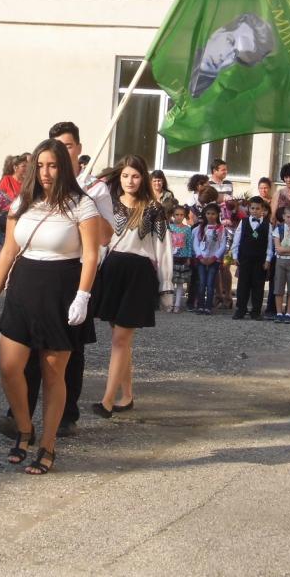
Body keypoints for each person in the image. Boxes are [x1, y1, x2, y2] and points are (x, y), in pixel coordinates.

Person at [0, 138, 100, 475]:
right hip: (23, 287)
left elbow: (91, 254)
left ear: (63, 166)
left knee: (53, 374)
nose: (46, 172)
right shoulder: (22, 201)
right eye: (41, 165)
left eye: (53, 165)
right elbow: (8, 249)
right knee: (9, 368)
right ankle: (24, 428)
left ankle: (48, 444)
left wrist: (83, 296)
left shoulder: (81, 204)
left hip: (62, 287)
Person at [90, 155, 170, 418]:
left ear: (143, 178)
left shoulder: (154, 208)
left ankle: (107, 401)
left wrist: (166, 287)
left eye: (135, 176)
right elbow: (101, 241)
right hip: (112, 271)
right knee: (120, 340)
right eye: (125, 175)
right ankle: (127, 395)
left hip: (138, 275)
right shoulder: (109, 205)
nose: (130, 181)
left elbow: (163, 248)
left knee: (120, 340)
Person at [231, 196, 270, 320]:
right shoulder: (244, 222)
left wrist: (268, 260)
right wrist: (235, 255)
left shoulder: (268, 225)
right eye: (252, 208)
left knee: (258, 286)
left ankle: (256, 311)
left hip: (260, 260)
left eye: (257, 208)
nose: (255, 211)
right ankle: (240, 310)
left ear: (262, 209)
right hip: (245, 259)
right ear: (249, 208)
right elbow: (237, 240)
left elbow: (270, 245)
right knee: (243, 285)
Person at [268, 205, 290, 323]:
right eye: (288, 217)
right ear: (283, 217)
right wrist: (286, 249)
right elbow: (277, 247)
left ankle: (288, 313)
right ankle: (279, 312)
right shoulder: (278, 229)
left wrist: (285, 249)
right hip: (280, 260)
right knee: (279, 286)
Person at [193, 203, 225, 314]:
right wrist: (200, 256)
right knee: (202, 283)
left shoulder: (221, 229)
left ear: (217, 215)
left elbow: (222, 245)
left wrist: (214, 257)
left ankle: (208, 306)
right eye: (208, 213)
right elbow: (196, 244)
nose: (210, 216)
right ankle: (200, 305)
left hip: (214, 260)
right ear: (204, 214)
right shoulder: (200, 228)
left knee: (210, 283)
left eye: (213, 214)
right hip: (202, 259)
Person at [169, 204, 194, 313]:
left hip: (182, 258)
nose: (179, 217)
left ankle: (177, 304)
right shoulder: (169, 227)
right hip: (171, 258)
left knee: (180, 283)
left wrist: (189, 256)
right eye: (177, 215)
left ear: (184, 216)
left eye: (181, 215)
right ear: (173, 215)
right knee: (170, 282)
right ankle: (169, 304)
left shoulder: (187, 229)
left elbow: (189, 244)